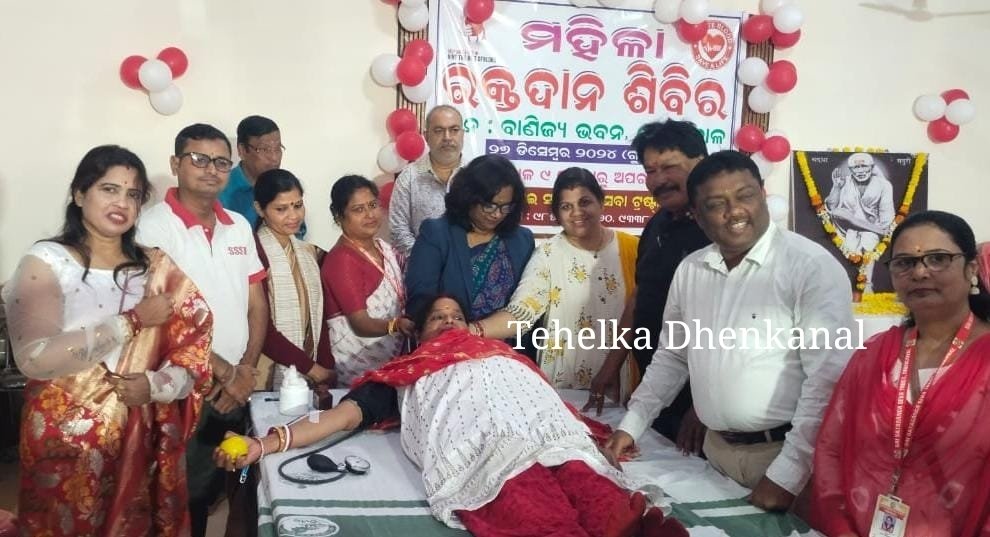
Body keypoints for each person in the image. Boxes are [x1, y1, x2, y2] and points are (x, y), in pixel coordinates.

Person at [214, 294, 689, 537]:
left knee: (600, 494)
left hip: (549, 432)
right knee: (534, 512)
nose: (450, 322)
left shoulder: (505, 354)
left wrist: (585, 430)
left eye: (457, 316)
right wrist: (265, 443)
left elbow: (544, 396)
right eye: (438, 318)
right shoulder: (404, 372)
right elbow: (340, 418)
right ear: (417, 335)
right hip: (485, 448)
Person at [606, 150, 855, 512]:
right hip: (715, 453)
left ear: (762, 194)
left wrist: (787, 474)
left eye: (745, 195)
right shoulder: (691, 270)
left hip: (783, 456)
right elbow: (672, 357)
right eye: (716, 204)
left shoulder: (809, 266)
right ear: (696, 214)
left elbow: (827, 381)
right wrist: (632, 425)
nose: (735, 211)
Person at [3, 145, 213, 535]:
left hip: (137, 441)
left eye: (133, 194)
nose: (122, 202)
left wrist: (156, 385)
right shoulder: (47, 260)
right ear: (80, 194)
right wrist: (133, 321)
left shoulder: (155, 267)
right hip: (63, 444)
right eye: (109, 189)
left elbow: (194, 347)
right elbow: (34, 358)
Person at [811, 210, 990, 537]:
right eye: (905, 263)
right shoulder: (874, 355)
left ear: (972, 268)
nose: (919, 272)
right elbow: (830, 449)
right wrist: (841, 529)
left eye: (938, 259)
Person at [136, 123, 268, 537]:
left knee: (235, 479)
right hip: (185, 388)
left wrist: (245, 370)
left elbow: (256, 303)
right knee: (182, 495)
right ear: (175, 163)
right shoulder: (153, 228)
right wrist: (224, 374)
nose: (211, 169)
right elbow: (162, 320)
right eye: (199, 159)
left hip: (237, 385)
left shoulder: (239, 226)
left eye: (221, 162)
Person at [472, 168, 640, 403]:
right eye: (566, 206)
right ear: (556, 214)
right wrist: (472, 331)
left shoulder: (632, 249)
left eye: (585, 202)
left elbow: (642, 312)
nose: (577, 212)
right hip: (564, 384)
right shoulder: (548, 255)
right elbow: (522, 313)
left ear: (601, 202)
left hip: (620, 379)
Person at [629, 120, 712, 452]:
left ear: (700, 162)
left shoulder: (719, 231)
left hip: (701, 408)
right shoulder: (657, 224)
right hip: (656, 389)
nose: (659, 180)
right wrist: (612, 365)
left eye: (669, 167)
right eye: (650, 171)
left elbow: (736, 328)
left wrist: (705, 406)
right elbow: (641, 294)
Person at [405, 154, 534, 322]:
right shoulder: (436, 234)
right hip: (450, 336)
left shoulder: (522, 240)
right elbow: (420, 302)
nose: (497, 214)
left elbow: (530, 301)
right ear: (469, 198)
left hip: (509, 337)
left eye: (505, 207)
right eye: (489, 205)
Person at [323, 175, 412, 387]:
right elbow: (361, 324)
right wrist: (397, 325)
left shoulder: (384, 248)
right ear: (339, 216)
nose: (370, 215)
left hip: (392, 363)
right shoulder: (342, 259)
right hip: (357, 369)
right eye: (358, 209)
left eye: (372, 205)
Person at [253, 168, 334, 390]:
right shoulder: (254, 254)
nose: (294, 216)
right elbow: (259, 325)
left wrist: (324, 368)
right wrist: (312, 369)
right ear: (259, 209)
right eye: (281, 209)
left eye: (298, 205)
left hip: (311, 368)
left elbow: (319, 317)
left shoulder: (308, 253)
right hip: (268, 368)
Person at [389, 105, 465, 256]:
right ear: (426, 136)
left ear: (462, 134)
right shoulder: (409, 176)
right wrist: (429, 258)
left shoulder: (476, 175)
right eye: (438, 130)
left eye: (454, 130)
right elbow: (398, 231)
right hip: (423, 265)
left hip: (469, 266)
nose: (447, 137)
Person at [220, 115, 306, 238]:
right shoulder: (221, 191)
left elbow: (299, 234)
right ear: (242, 150)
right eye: (265, 149)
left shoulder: (286, 184)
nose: (274, 158)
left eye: (278, 148)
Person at [825, 152, 894, 293]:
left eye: (864, 166)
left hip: (873, 229)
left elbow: (887, 214)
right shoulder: (845, 182)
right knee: (839, 213)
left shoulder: (884, 185)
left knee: (869, 240)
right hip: (847, 227)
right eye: (856, 167)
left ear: (872, 167)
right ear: (851, 170)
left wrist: (881, 230)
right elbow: (832, 207)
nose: (861, 171)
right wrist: (837, 187)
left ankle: (866, 286)